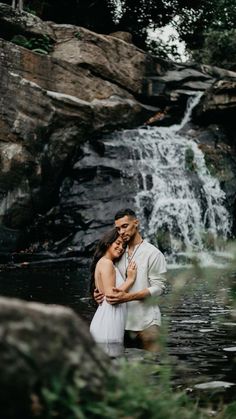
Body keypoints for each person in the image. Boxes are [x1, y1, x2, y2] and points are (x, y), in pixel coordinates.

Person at [94, 208, 167, 351]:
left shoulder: (153, 253)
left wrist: (128, 297)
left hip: (147, 323)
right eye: (118, 228)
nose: (121, 231)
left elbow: (159, 288)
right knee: (123, 370)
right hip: (121, 324)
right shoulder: (117, 252)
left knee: (155, 367)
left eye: (125, 226)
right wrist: (99, 294)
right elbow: (107, 278)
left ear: (136, 223)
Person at [89, 228, 137, 357]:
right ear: (107, 243)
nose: (121, 248)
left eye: (123, 245)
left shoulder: (103, 262)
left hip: (106, 318)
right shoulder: (107, 264)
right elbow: (111, 296)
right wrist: (130, 279)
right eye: (117, 243)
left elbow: (104, 293)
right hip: (109, 321)